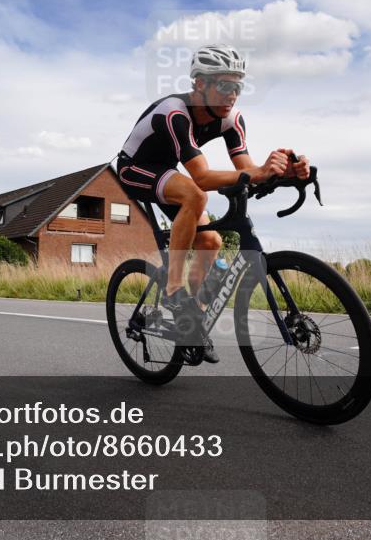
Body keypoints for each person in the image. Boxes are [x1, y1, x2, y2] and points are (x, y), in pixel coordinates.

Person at [116, 44, 310, 363]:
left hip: (168, 172)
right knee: (195, 192)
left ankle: (192, 323)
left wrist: (286, 172)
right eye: (224, 85)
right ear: (200, 85)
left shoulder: (231, 119)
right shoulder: (175, 112)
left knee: (210, 241)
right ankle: (173, 290)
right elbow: (202, 177)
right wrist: (258, 172)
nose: (232, 94)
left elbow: (245, 170)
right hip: (135, 168)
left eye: (237, 86)